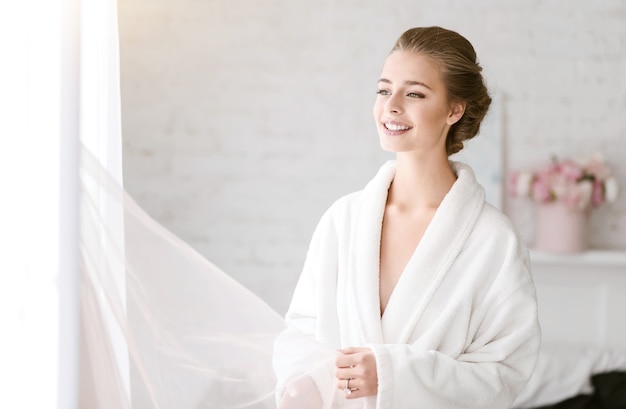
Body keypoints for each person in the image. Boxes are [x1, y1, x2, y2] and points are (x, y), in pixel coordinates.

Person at [274, 26, 541, 409]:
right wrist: (305, 386)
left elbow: (504, 372)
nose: (391, 105)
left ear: (454, 109)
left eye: (414, 93)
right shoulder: (343, 220)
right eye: (384, 90)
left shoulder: (493, 239)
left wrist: (393, 374)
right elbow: (300, 331)